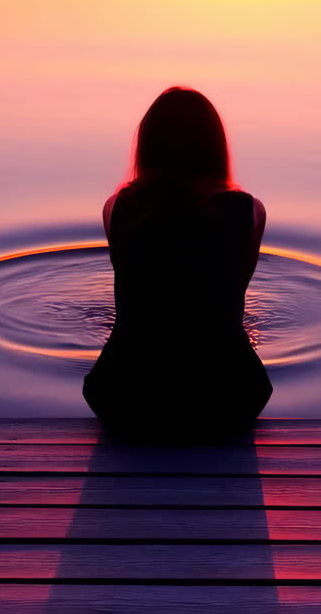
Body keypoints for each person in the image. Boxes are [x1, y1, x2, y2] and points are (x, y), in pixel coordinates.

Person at [83, 86, 272, 440]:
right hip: (232, 396)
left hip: (122, 396)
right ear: (214, 147)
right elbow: (231, 299)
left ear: (147, 145)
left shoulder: (116, 208)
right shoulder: (251, 211)